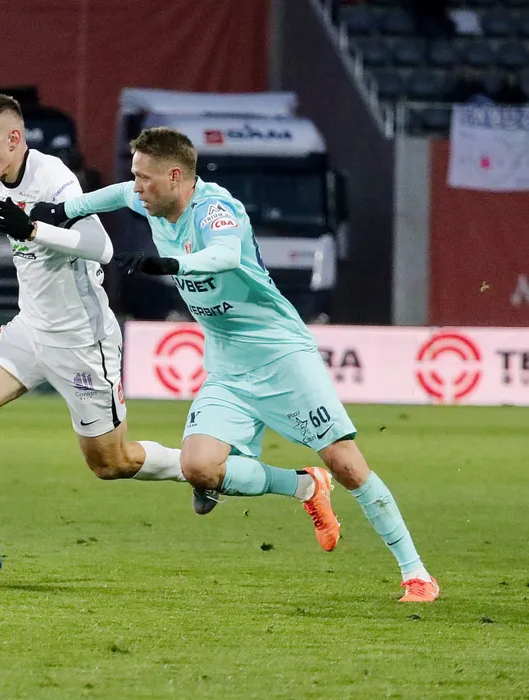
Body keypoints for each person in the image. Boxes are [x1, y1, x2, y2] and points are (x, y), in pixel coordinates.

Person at [31, 127, 439, 602]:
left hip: (280, 354)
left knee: (346, 464)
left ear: (176, 176)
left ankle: (416, 573)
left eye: (145, 178)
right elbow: (119, 194)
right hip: (227, 366)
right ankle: (306, 486)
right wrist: (65, 210)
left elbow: (224, 257)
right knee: (199, 467)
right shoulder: (149, 199)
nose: (136, 187)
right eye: (136, 176)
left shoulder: (216, 209)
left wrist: (171, 266)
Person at [0, 95, 189, 578]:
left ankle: (197, 468)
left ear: (14, 139)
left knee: (110, 462)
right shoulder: (1, 178)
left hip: (81, 341)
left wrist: (33, 230)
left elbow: (100, 245)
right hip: (31, 328)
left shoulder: (53, 177)